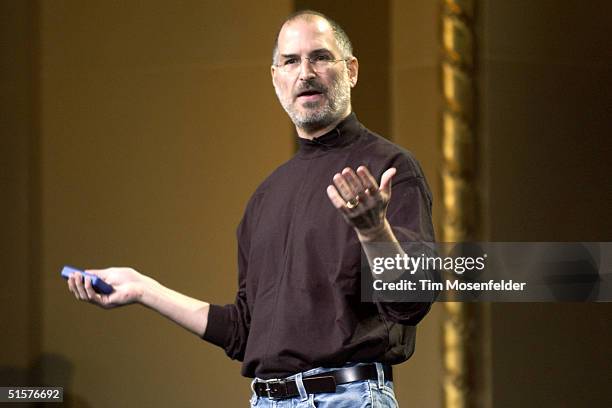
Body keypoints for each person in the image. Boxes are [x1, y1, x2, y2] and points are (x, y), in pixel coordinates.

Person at [66, 10, 434, 407]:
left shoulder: (388, 168)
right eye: (290, 61)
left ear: (352, 71)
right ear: (276, 79)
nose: (305, 72)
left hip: (347, 397)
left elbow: (411, 302)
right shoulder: (266, 196)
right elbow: (244, 332)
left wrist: (374, 231)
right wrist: (144, 289)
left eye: (321, 57)